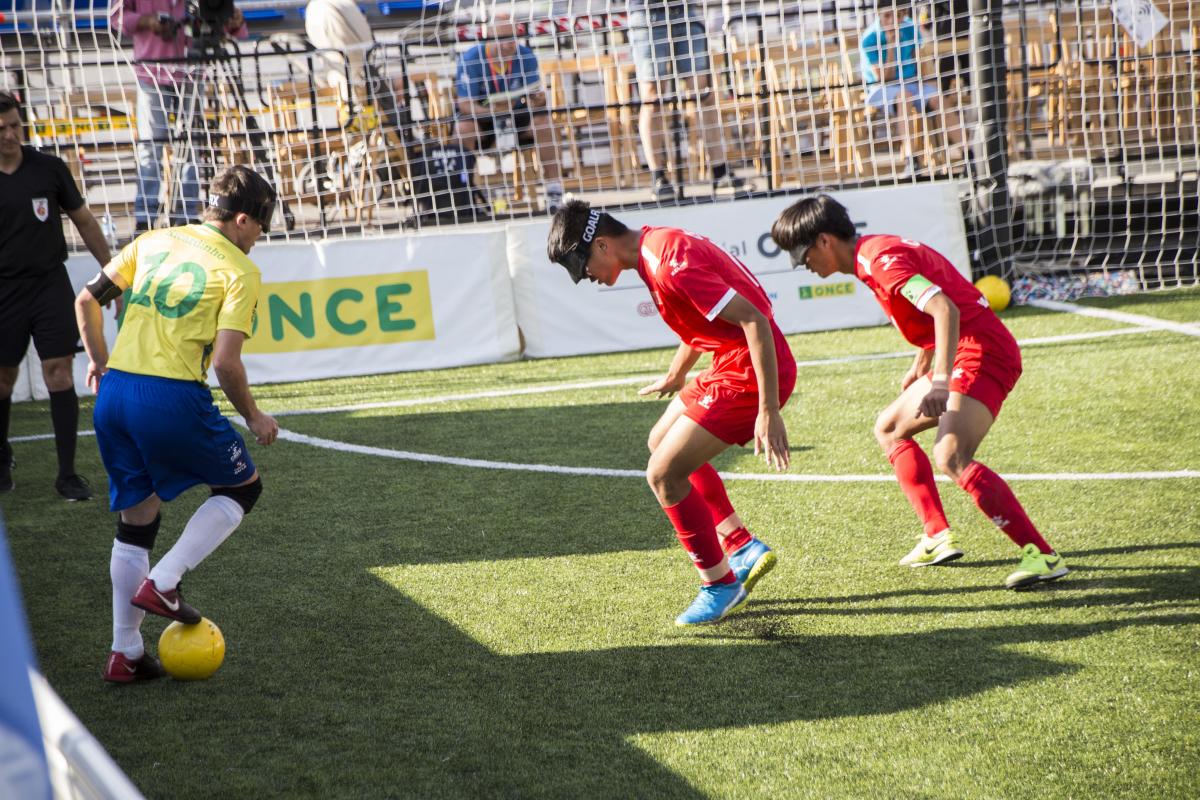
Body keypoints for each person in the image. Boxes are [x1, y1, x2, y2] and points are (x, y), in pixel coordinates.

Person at [770, 194, 1068, 590]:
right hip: (967, 350)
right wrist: (922, 360)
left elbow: (946, 309)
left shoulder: (881, 261)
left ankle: (1042, 555)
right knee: (890, 427)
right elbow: (940, 305)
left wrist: (941, 381)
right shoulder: (872, 256)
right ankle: (937, 536)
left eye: (803, 255)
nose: (804, 266)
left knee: (951, 456)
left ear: (824, 241)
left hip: (982, 354)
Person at [75, 165, 280, 683]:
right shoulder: (240, 270)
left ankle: (125, 653)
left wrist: (98, 362)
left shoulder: (153, 239)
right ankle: (166, 580)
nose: (261, 237)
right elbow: (227, 364)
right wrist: (254, 416)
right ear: (240, 220)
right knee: (241, 489)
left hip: (115, 392)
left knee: (136, 521)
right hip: (169, 395)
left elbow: (85, 299)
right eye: (262, 226)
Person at [547, 200, 794, 625]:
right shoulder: (655, 249)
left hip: (748, 375)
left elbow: (754, 319)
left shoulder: (668, 262)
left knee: (662, 474)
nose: (585, 277)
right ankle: (740, 544)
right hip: (729, 364)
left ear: (601, 245)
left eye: (581, 266)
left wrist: (768, 409)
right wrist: (676, 375)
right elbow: (706, 320)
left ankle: (720, 583)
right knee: (659, 441)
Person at [0, 91, 112, 501]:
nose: (11, 135)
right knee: (2, 380)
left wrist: (112, 275)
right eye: (2, 129)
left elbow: (84, 220)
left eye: (15, 125)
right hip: (4, 289)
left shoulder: (49, 168)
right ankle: (1, 457)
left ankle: (67, 475)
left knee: (60, 373)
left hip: (49, 283)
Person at [108, 0, 248, 235]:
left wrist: (235, 20)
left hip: (193, 71)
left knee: (191, 144)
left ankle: (185, 214)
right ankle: (146, 217)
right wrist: (147, 21)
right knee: (151, 144)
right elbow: (116, 18)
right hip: (152, 70)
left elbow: (225, 21)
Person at [626, 0, 748, 201]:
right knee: (651, 96)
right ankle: (658, 177)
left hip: (685, 10)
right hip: (646, 13)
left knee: (704, 92)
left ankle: (720, 172)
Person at [453, 10, 563, 214]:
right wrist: (490, 111)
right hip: (483, 118)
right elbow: (465, 104)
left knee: (545, 122)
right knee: (463, 128)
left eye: (514, 37)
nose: (510, 43)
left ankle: (554, 191)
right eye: (504, 38)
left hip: (515, 116)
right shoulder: (470, 59)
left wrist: (538, 99)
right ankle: (463, 193)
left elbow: (535, 96)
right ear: (490, 39)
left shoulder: (525, 56)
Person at [859, 0, 962, 177]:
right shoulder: (869, 39)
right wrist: (891, 46)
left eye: (898, 15)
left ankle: (969, 153)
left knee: (939, 98)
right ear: (879, 15)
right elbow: (883, 77)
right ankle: (910, 159)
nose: (893, 21)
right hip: (882, 87)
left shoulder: (911, 29)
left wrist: (930, 85)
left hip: (912, 83)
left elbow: (920, 62)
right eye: (887, 16)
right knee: (904, 96)